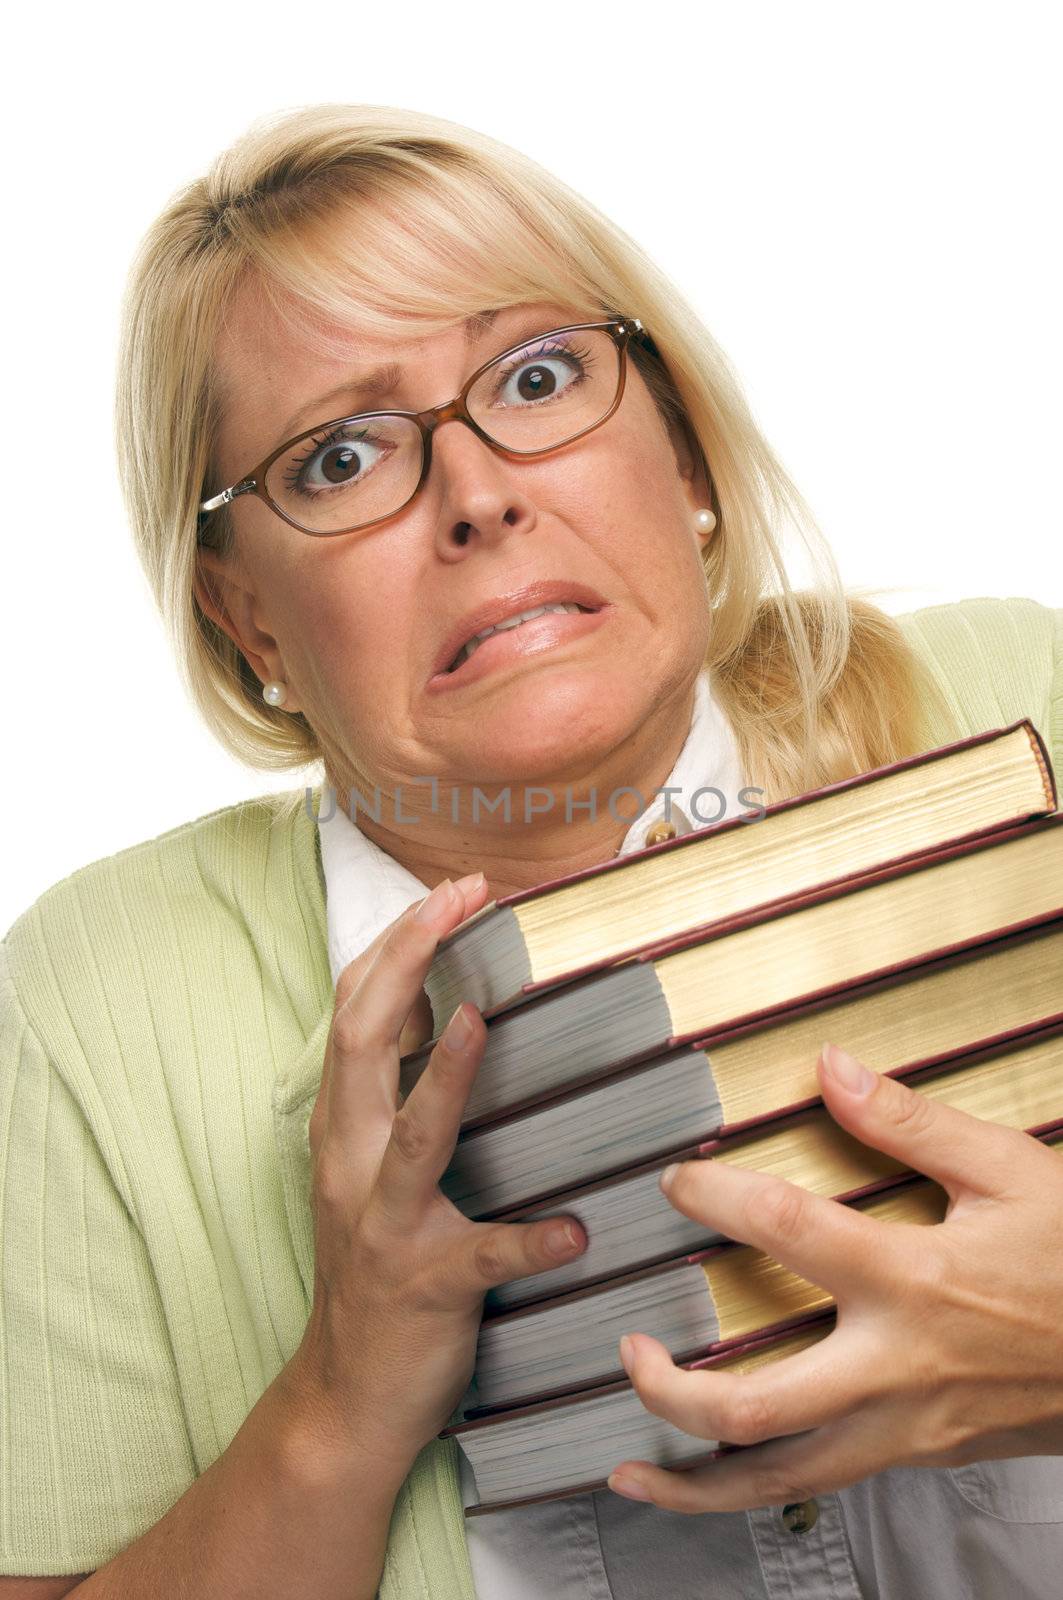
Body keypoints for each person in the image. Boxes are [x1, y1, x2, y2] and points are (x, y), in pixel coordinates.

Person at [1, 101, 1061, 1600]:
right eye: (341, 458)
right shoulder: (97, 1005)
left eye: (539, 375)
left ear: (683, 453)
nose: (480, 493)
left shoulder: (1026, 714)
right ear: (248, 621)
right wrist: (342, 1406)